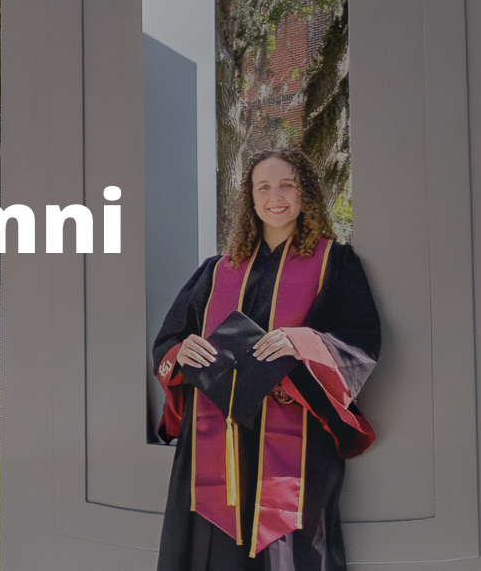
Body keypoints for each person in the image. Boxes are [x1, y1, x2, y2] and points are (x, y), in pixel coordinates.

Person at [153, 149, 381, 571]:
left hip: (295, 436)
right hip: (217, 436)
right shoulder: (215, 271)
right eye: (263, 187)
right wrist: (179, 352)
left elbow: (360, 343)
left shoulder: (335, 263)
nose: (275, 196)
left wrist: (304, 343)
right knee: (212, 548)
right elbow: (168, 343)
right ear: (251, 199)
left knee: (287, 548)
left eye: (287, 185)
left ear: (305, 193)